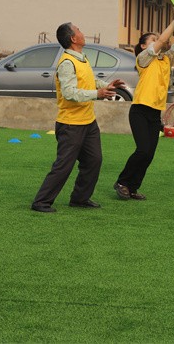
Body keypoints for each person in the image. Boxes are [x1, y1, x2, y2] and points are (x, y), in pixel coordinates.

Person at [31, 22, 125, 213]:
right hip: (70, 124)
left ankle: (80, 199)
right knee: (63, 166)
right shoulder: (67, 63)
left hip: (88, 122)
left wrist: (106, 86)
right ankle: (41, 202)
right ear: (73, 38)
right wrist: (97, 94)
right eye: (79, 30)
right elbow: (69, 93)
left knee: (94, 161)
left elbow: (89, 80)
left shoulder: (81, 58)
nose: (82, 32)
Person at [114, 13, 174, 201]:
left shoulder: (166, 59)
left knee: (149, 154)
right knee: (143, 150)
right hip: (139, 111)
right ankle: (122, 182)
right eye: (153, 39)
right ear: (144, 46)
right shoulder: (143, 59)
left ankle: (132, 188)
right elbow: (162, 41)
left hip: (154, 114)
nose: (159, 40)